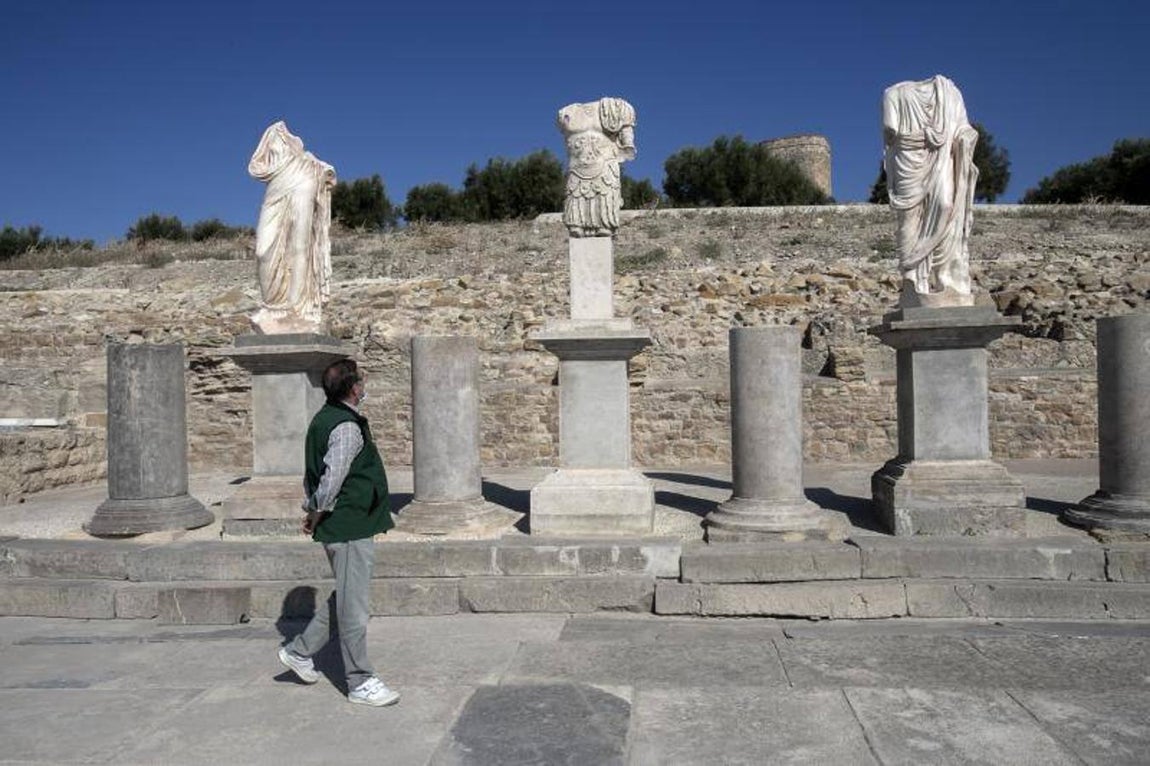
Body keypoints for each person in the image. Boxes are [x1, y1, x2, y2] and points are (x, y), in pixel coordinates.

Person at [277, 358, 399, 707]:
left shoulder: (324, 419)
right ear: (353, 388)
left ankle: (299, 652)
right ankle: (359, 681)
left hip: (347, 522)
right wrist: (315, 511)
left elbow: (312, 473)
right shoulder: (345, 427)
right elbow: (330, 479)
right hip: (348, 524)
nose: (363, 384)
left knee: (347, 595)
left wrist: (314, 511)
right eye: (360, 380)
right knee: (355, 608)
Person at [881, 74, 979, 307]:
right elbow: (890, 131)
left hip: (942, 157)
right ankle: (912, 279)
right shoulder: (892, 93)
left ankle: (944, 278)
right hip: (908, 161)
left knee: (946, 204)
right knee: (909, 221)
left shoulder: (950, 92)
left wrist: (965, 137)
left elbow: (964, 128)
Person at [247, 120, 336, 334]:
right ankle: (274, 306)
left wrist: (321, 169)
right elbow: (256, 167)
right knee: (263, 251)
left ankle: (296, 309)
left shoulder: (304, 154)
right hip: (278, 187)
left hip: (304, 179)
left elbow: (331, 176)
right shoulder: (272, 133)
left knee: (300, 246)